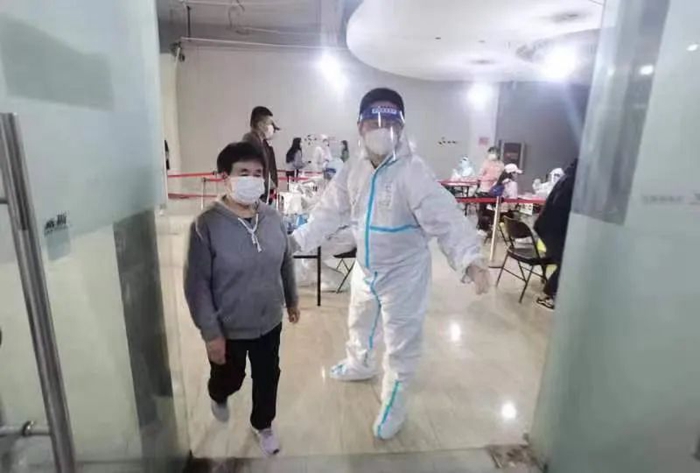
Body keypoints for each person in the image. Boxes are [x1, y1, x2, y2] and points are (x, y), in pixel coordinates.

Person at [290, 88, 490, 440]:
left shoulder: (413, 172)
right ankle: (360, 363)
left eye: (390, 121)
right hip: (367, 267)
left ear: (401, 126)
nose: (382, 129)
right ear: (360, 126)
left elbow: (446, 218)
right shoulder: (353, 170)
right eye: (374, 121)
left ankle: (394, 403)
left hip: (405, 274)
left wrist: (470, 258)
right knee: (360, 321)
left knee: (401, 341)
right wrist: (297, 240)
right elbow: (327, 212)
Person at [184, 142, 301, 456]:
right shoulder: (206, 225)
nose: (253, 178)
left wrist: (291, 299)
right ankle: (218, 393)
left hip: (269, 321)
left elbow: (285, 260)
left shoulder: (272, 218)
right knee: (230, 378)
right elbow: (197, 285)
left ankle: (263, 424)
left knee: (268, 376)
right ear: (226, 177)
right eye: (243, 172)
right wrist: (211, 333)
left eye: (258, 173)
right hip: (229, 326)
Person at [534, 159, 578, 310]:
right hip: (552, 228)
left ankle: (554, 292)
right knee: (566, 263)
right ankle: (547, 295)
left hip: (549, 226)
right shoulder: (572, 181)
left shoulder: (569, 177)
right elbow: (562, 205)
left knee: (566, 261)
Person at [242, 106, 280, 202]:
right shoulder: (250, 143)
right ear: (260, 125)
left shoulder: (261, 144)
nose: (272, 127)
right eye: (269, 123)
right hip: (253, 200)